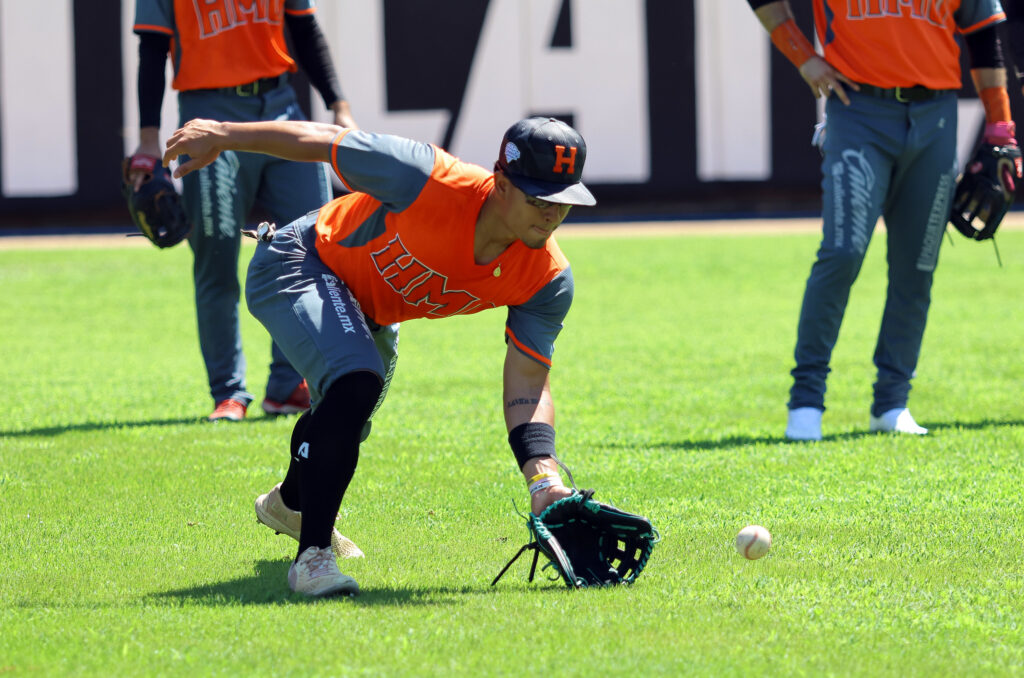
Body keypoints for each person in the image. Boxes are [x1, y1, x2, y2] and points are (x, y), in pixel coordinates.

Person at [162, 115, 597, 596]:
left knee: (346, 413)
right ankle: (313, 560)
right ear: (500, 183)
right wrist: (227, 134)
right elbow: (325, 141)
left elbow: (529, 380)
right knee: (355, 382)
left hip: (370, 309)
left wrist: (544, 480)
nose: (551, 214)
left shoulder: (547, 278)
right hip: (301, 260)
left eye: (563, 201)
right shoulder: (431, 178)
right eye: (538, 199)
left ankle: (288, 503)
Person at [746, 0, 1018, 440]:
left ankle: (892, 403)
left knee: (917, 266)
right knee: (842, 253)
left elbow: (985, 36)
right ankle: (806, 402)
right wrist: (803, 56)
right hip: (857, 109)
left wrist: (1001, 128)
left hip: (936, 116)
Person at [128, 0, 358, 422]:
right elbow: (152, 49)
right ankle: (228, 392)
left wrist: (338, 104)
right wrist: (148, 137)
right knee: (216, 256)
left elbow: (304, 28)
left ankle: (287, 385)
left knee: (316, 245)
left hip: (279, 107)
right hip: (206, 114)